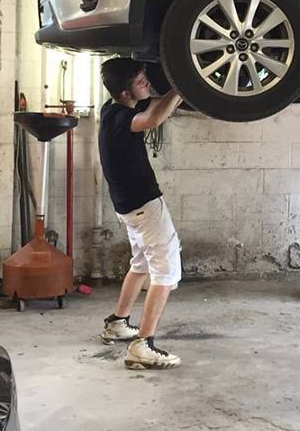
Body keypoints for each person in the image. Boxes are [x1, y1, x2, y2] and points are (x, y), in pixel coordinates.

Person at [98, 57, 183, 370]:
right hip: (145, 206)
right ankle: (142, 346)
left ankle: (117, 322)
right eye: (140, 81)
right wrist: (184, 85)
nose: (147, 83)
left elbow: (155, 106)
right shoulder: (122, 119)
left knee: (142, 263)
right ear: (125, 93)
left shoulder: (112, 109)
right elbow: (154, 118)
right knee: (166, 272)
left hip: (130, 207)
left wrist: (179, 93)